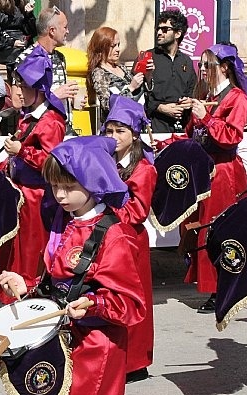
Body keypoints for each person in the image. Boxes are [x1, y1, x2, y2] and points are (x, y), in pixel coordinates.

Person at [0, 135, 146, 395]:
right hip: (63, 339)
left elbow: (131, 304)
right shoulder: (64, 220)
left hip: (97, 346)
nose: (60, 195)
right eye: (55, 186)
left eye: (68, 186)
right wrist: (28, 284)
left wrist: (94, 304)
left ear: (92, 181)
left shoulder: (114, 234)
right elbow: (58, 281)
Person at [158, 43, 247, 312]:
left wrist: (207, 117)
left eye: (206, 66)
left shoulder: (237, 98)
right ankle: (210, 283)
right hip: (202, 171)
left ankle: (222, 285)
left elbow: (231, 137)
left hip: (223, 172)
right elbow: (192, 135)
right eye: (200, 65)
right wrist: (166, 142)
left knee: (218, 228)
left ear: (223, 68)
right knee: (198, 227)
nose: (201, 71)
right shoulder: (206, 94)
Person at [0, 45, 66, 303]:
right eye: (17, 85)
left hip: (37, 200)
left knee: (31, 253)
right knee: (14, 249)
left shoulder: (51, 121)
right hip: (20, 197)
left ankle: (29, 297)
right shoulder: (28, 117)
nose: (18, 91)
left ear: (38, 90)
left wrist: (22, 151)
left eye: (23, 86)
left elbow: (51, 162)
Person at [101, 95, 156, 382]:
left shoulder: (143, 168)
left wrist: (105, 199)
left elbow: (137, 210)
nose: (113, 136)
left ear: (133, 135)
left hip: (129, 240)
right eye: (109, 130)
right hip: (105, 237)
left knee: (133, 300)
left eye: (120, 130)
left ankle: (135, 361)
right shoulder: (103, 160)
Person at [15, 6, 78, 132]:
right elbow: (17, 102)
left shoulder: (60, 57)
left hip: (63, 128)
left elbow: (59, 94)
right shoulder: (26, 58)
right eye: (65, 27)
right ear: (52, 31)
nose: (68, 31)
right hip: (41, 131)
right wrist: (54, 95)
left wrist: (72, 101)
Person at [144, 9, 196, 134]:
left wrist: (189, 102)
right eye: (158, 29)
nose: (159, 33)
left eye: (165, 29)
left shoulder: (187, 61)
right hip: (154, 127)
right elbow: (137, 95)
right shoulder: (147, 57)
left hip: (181, 128)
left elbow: (192, 92)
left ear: (178, 33)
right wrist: (160, 107)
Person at [87, 26, 151, 120]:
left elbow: (142, 94)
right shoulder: (99, 72)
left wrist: (148, 76)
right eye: (113, 46)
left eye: (118, 45)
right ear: (101, 47)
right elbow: (107, 105)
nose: (118, 49)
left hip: (136, 122)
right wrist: (130, 88)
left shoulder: (122, 68)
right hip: (118, 126)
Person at [0, 0, 37, 81]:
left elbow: (33, 32)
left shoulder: (23, 4)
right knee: (17, 55)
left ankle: (31, 86)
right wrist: (13, 43)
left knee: (34, 53)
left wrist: (29, 15)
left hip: (22, 42)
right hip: (3, 45)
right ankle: (15, 85)